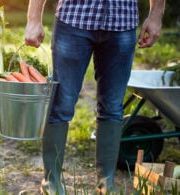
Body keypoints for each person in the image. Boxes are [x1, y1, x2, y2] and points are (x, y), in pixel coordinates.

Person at [24, 0, 165, 194]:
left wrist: (156, 14)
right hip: (73, 19)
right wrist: (33, 19)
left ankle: (106, 182)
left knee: (113, 107)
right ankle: (52, 180)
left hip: (122, 22)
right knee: (61, 104)